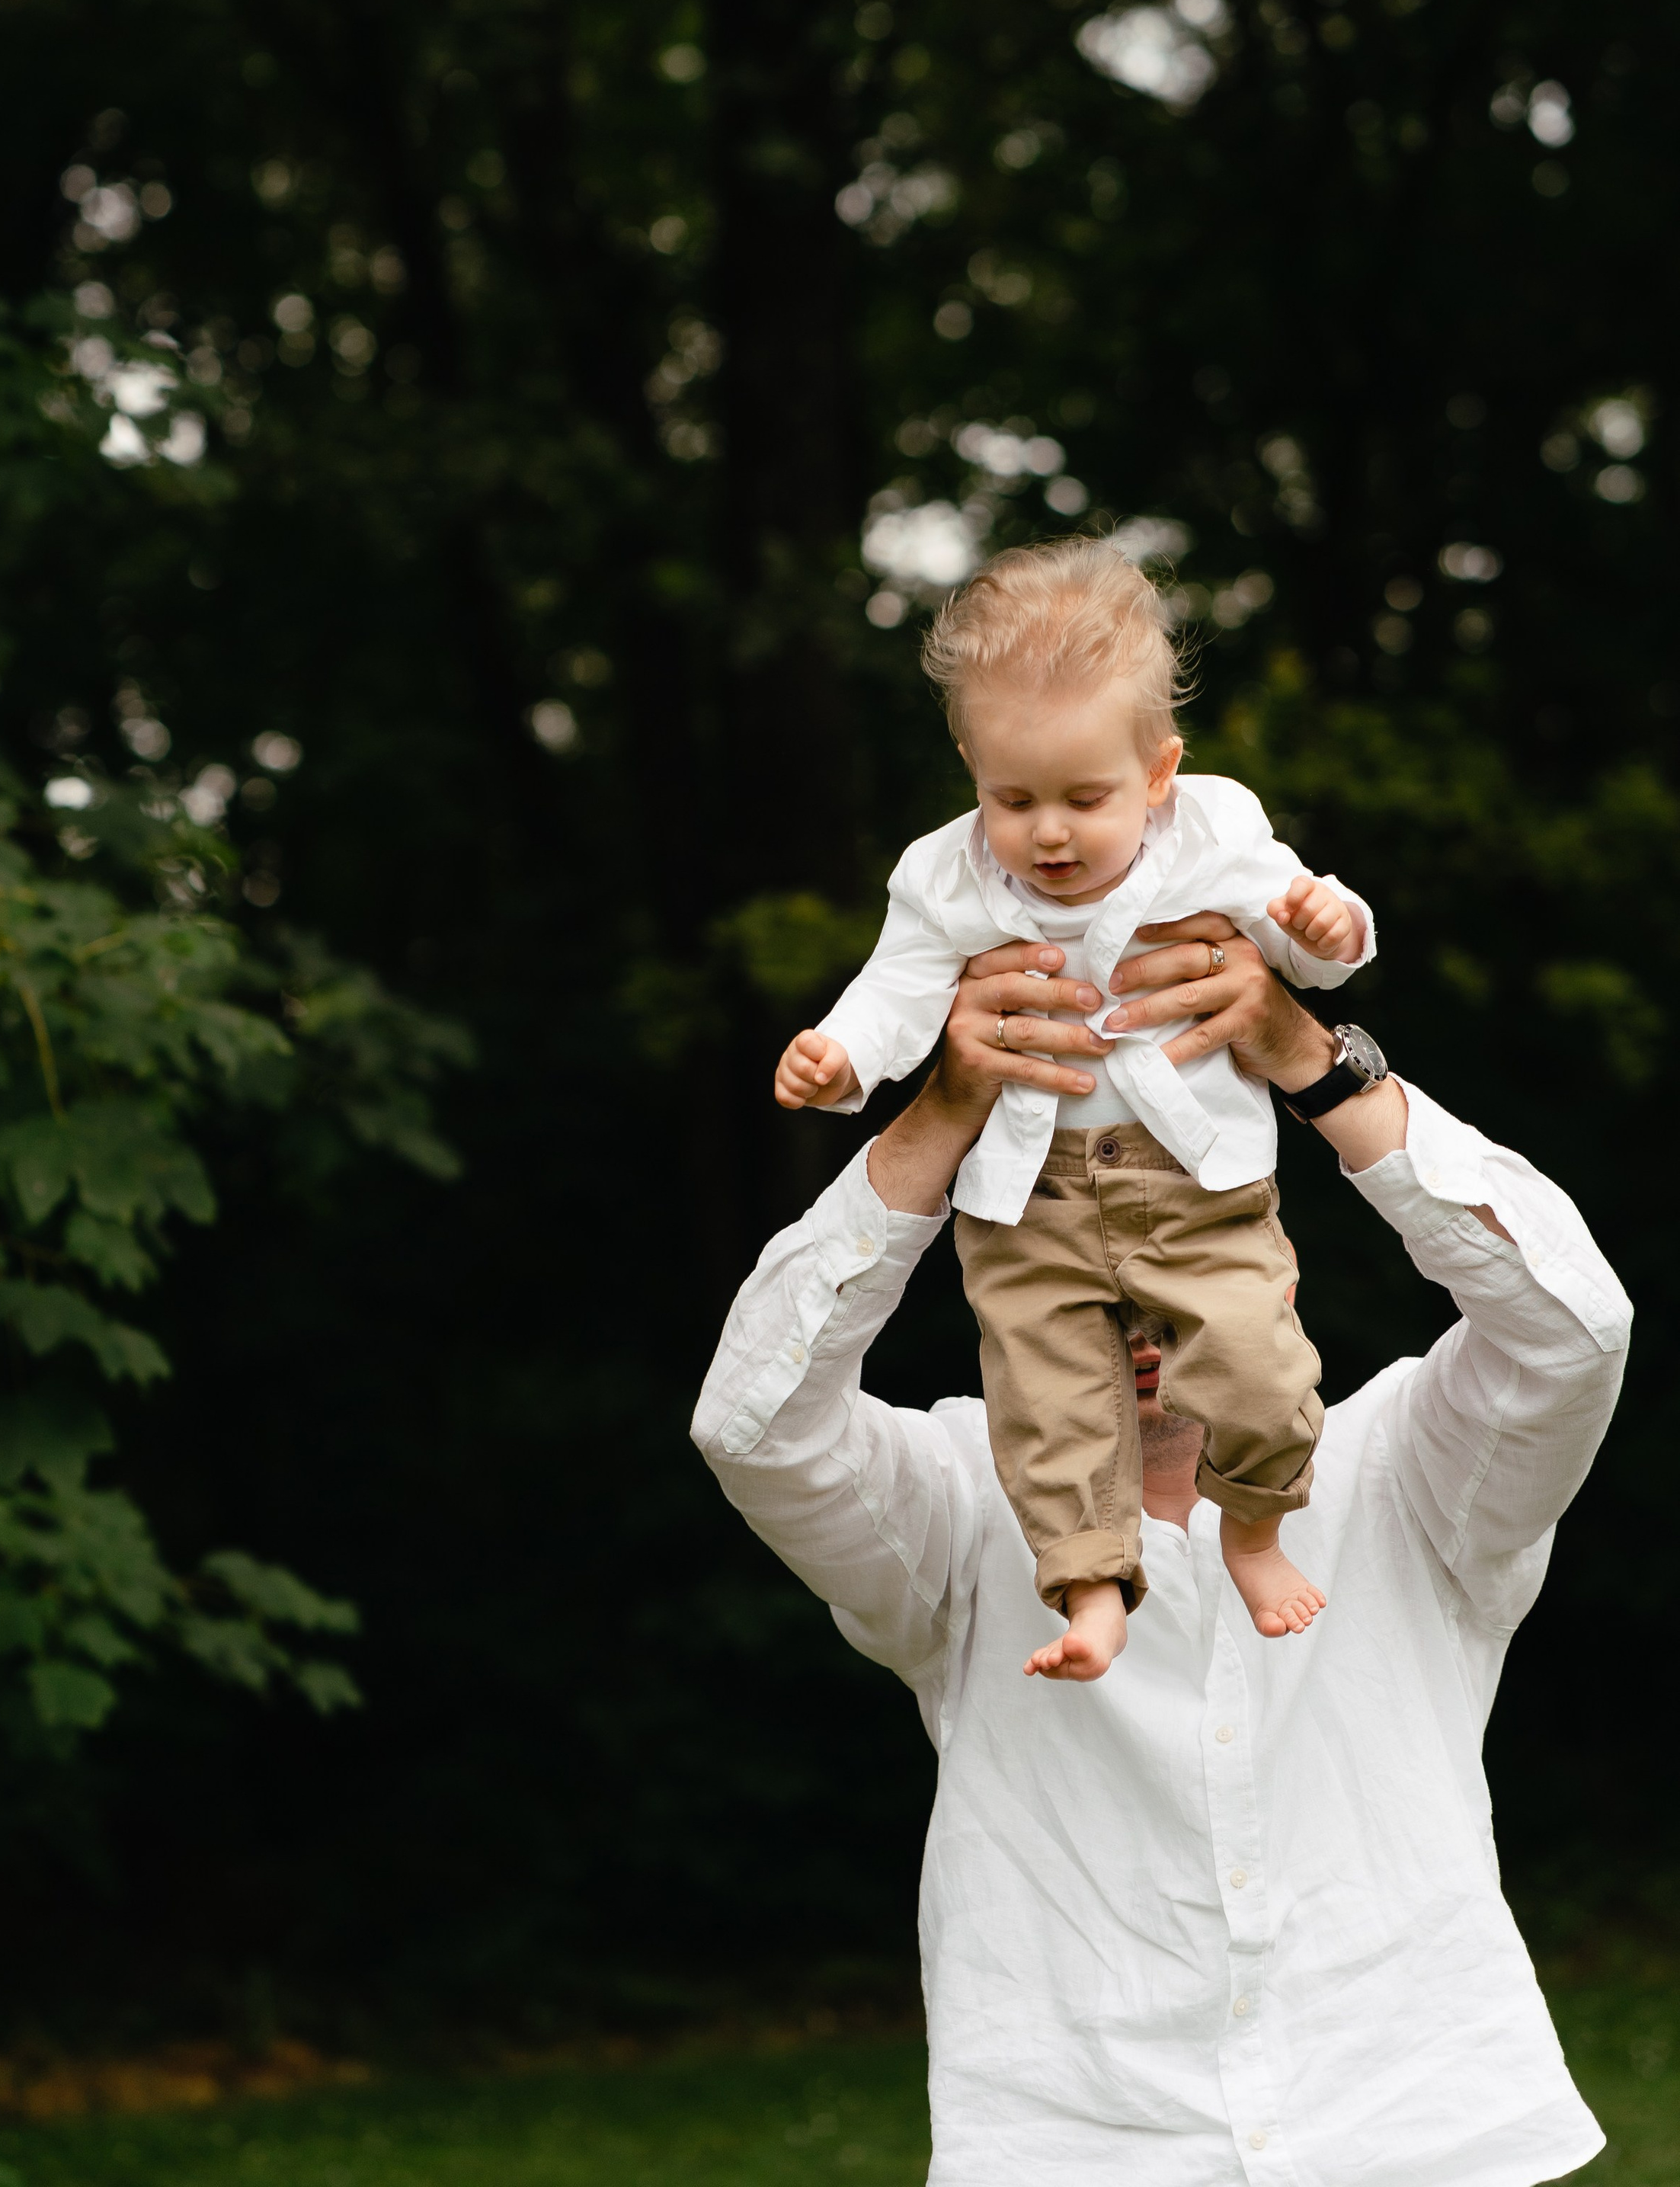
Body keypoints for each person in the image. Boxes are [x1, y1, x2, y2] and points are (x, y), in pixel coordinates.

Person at [697, 925, 1627, 2187]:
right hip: (1078, 2141)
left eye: (1182, 1253)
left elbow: (1574, 1329)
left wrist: (1309, 1060)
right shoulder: (961, 1506)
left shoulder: (1413, 1468)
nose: (1141, 1307)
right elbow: (753, 1426)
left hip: (1423, 2123)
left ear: (1273, 1268)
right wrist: (946, 1111)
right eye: (1086, 1279)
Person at [774, 540, 1379, 1670]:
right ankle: (1092, 1587)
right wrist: (843, 1058)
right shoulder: (945, 875)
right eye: (1014, 798)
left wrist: (1329, 931)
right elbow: (899, 987)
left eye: (1084, 798)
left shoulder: (1213, 829)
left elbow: (1300, 920)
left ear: (1160, 769)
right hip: (1027, 1197)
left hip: (1194, 1178)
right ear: (970, 765)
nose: (1049, 832)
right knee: (1048, 1404)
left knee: (1257, 1365)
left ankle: (1251, 1529)